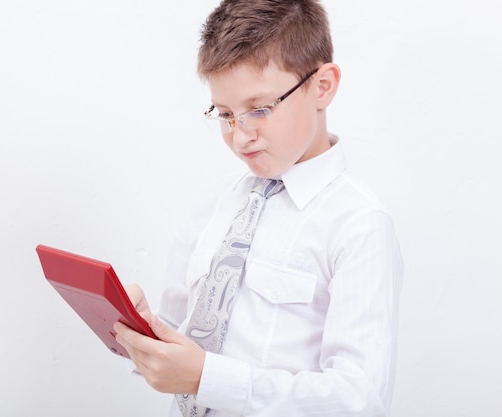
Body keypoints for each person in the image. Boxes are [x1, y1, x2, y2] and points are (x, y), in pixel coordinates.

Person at [113, 0, 403, 416]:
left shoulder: (359, 225)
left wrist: (205, 378)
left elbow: (358, 399)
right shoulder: (212, 207)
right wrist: (145, 331)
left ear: (322, 87)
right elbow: (185, 340)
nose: (240, 135)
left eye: (260, 109)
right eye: (226, 114)